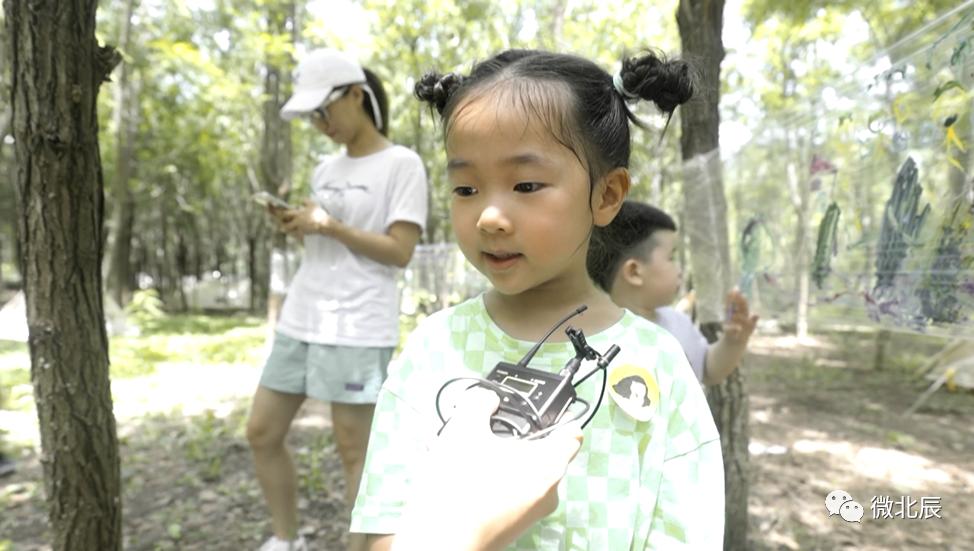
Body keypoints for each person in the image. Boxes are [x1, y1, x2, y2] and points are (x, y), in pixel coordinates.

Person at [350, 48, 724, 550]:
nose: (488, 217)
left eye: (525, 184)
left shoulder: (659, 365)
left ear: (607, 195)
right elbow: (379, 533)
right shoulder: (432, 350)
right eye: (465, 189)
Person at [246, 48, 428, 551]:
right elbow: (327, 245)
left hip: (359, 324)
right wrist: (299, 226)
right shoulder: (326, 170)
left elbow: (399, 252)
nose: (320, 124)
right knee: (262, 430)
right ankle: (286, 540)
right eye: (312, 116)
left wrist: (330, 224)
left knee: (354, 451)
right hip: (305, 314)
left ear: (355, 95)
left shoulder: (402, 164)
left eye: (323, 111)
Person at [588, 201, 758, 385]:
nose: (680, 269)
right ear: (634, 272)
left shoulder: (678, 323)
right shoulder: (598, 340)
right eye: (671, 258)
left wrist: (733, 342)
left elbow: (707, 369)